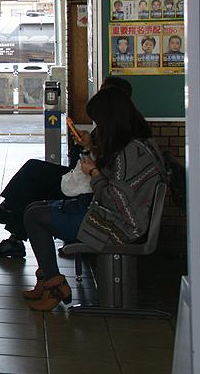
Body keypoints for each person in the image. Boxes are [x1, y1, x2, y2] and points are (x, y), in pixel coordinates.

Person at [21, 87, 165, 311]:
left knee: (34, 215)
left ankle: (54, 285)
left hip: (119, 226)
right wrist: (90, 148)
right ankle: (50, 280)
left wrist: (93, 173)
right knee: (34, 209)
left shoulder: (131, 153)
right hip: (114, 216)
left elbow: (115, 199)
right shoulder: (139, 144)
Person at [0, 76, 134, 259]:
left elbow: (106, 165)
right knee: (32, 172)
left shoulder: (119, 130)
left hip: (87, 189)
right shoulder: (110, 124)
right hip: (83, 179)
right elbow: (89, 157)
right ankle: (11, 229)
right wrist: (86, 145)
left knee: (32, 179)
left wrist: (90, 151)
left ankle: (8, 218)